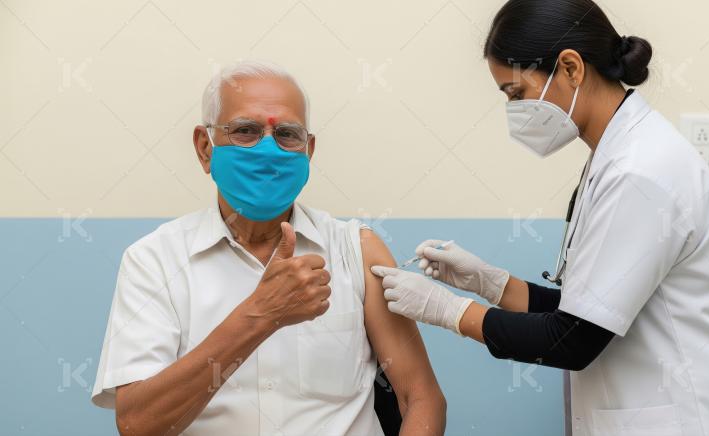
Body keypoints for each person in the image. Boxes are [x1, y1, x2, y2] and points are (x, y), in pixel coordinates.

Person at [371, 0, 709, 435]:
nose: (515, 111)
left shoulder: (641, 171)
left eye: (516, 93)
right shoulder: (616, 157)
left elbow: (573, 340)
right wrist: (491, 283)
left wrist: (448, 310)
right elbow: (586, 309)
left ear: (570, 68)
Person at [91, 60, 446, 436]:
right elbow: (137, 424)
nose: (267, 150)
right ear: (205, 148)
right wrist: (261, 315)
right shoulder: (154, 261)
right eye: (245, 131)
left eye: (287, 135)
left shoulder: (356, 250)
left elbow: (420, 398)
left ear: (308, 150)